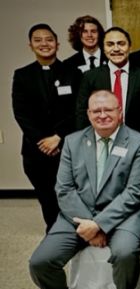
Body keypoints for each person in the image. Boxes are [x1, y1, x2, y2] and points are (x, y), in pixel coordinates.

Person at [29, 89, 140, 289]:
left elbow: (135, 192)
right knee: (40, 262)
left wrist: (99, 225)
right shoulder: (73, 142)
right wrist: (88, 224)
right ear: (88, 114)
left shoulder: (139, 143)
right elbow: (63, 189)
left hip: (123, 214)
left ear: (120, 113)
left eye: (109, 110)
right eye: (97, 111)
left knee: (126, 253)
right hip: (76, 214)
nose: (103, 115)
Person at [12, 23, 81, 232]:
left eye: (49, 39)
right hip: (36, 151)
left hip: (67, 146)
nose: (44, 44)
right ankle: (54, 232)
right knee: (47, 197)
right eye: (38, 40)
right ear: (30, 45)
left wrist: (58, 136)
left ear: (57, 44)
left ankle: (75, 233)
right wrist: (43, 141)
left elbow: (78, 109)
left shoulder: (73, 73)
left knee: (70, 194)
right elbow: (21, 114)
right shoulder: (22, 75)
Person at [76, 27, 140, 137]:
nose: (116, 49)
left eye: (121, 44)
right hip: (100, 139)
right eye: (110, 44)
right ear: (103, 49)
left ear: (130, 47)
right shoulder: (90, 77)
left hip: (135, 141)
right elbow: (81, 113)